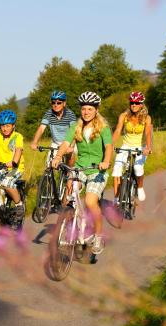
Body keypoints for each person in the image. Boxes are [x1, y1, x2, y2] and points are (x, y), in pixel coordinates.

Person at [51, 91, 112, 254]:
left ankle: (98, 237)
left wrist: (106, 162)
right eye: (84, 109)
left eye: (90, 109)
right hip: (79, 168)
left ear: (96, 110)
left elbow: (109, 147)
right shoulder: (75, 126)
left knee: (91, 202)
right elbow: (65, 143)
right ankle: (71, 222)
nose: (86, 112)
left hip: (97, 171)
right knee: (69, 195)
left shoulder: (104, 128)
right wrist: (58, 156)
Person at [111, 91, 152, 204]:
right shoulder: (124, 116)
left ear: (141, 104)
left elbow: (148, 133)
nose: (134, 105)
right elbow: (118, 130)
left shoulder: (146, 118)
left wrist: (147, 148)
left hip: (140, 147)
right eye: (132, 102)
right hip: (126, 146)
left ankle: (139, 187)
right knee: (116, 170)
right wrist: (110, 144)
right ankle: (116, 199)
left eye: (137, 103)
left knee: (138, 169)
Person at [30, 90, 77, 166]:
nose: (56, 105)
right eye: (53, 102)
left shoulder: (70, 114)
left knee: (69, 163)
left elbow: (75, 132)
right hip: (56, 143)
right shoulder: (49, 113)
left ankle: (69, 175)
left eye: (59, 103)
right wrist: (35, 142)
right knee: (49, 166)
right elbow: (41, 128)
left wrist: (71, 147)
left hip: (69, 143)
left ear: (64, 103)